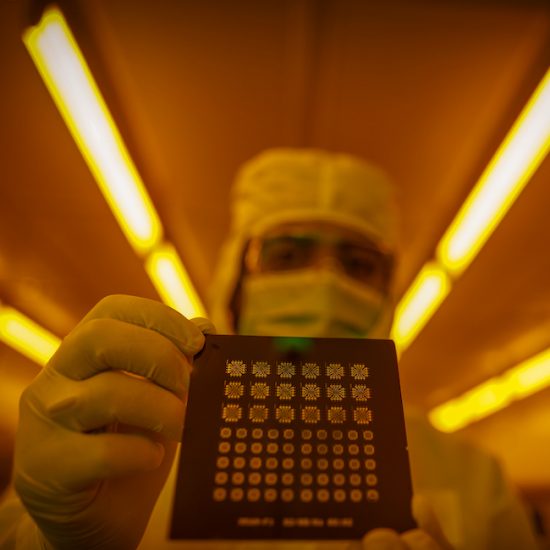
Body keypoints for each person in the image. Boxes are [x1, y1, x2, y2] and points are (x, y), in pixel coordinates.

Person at [0, 149, 537, 549]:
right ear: (234, 281)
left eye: (357, 264)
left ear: (387, 294)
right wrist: (54, 542)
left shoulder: (472, 475)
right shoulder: (127, 446)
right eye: (287, 254)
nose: (324, 282)